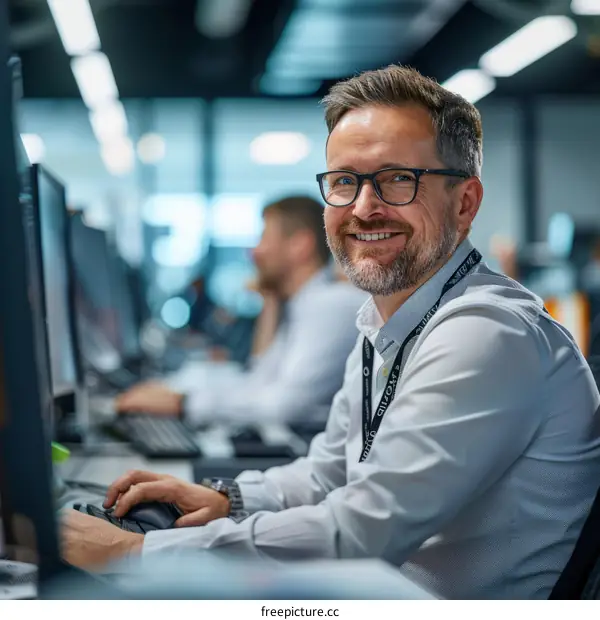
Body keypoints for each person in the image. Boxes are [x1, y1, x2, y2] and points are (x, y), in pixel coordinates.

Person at [62, 65, 600, 599]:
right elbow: (329, 474)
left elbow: (366, 530)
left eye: (397, 180)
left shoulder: (486, 332)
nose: (364, 208)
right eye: (345, 181)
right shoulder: (385, 323)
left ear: (465, 203)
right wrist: (227, 500)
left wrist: (134, 555)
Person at [114, 195, 366, 425]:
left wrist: (182, 403)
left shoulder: (330, 306)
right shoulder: (304, 303)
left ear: (300, 245)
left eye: (264, 238)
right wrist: (271, 300)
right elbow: (260, 381)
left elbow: (283, 407)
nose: (254, 251)